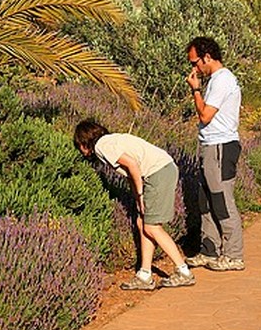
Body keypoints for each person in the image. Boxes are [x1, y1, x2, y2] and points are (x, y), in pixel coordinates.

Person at [74, 120, 195, 290]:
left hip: (157, 173)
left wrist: (139, 193)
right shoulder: (110, 140)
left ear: (84, 142)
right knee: (142, 222)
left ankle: (183, 271)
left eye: (79, 145)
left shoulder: (102, 146)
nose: (81, 151)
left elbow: (132, 164)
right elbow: (131, 175)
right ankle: (144, 275)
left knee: (152, 227)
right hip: (161, 169)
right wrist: (139, 201)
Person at [185, 36, 245, 271]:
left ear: (207, 57)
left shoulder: (222, 80)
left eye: (195, 62)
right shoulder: (216, 80)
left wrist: (196, 91)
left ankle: (234, 254)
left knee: (221, 201)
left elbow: (205, 115)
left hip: (221, 147)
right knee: (206, 201)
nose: (194, 68)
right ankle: (210, 249)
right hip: (210, 146)